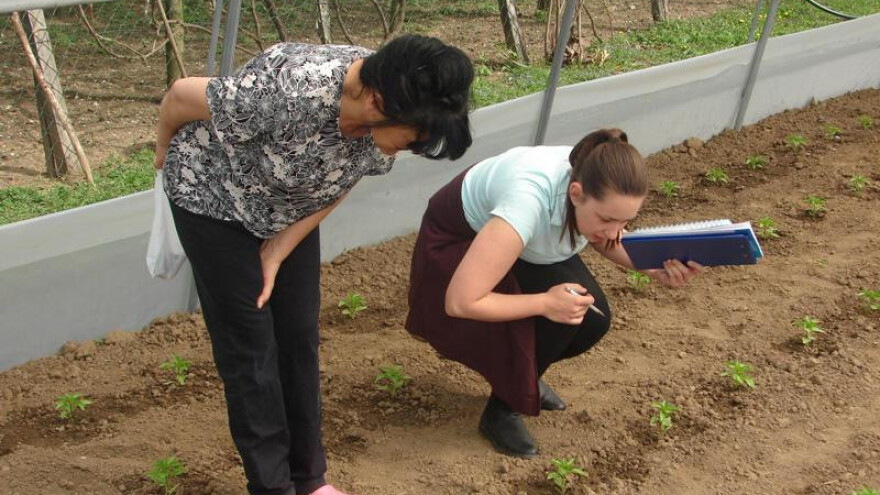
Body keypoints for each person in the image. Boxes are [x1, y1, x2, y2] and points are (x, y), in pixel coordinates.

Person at [154, 35, 473, 495]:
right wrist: (163, 152)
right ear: (376, 101)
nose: (411, 148)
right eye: (412, 139)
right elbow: (181, 95)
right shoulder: (290, 94)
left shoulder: (387, 108)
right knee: (250, 349)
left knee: (298, 334)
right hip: (214, 200)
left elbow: (339, 176)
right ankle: (273, 486)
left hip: (287, 210)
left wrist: (280, 248)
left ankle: (310, 480)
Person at [405, 128, 701, 459]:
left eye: (625, 222)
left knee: (589, 319)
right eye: (607, 219)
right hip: (460, 243)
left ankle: (521, 373)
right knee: (562, 313)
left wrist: (651, 267)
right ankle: (503, 409)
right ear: (575, 194)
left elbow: (606, 236)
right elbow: (461, 300)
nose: (616, 233)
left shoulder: (591, 176)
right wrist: (545, 302)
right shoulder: (526, 202)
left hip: (523, 244)